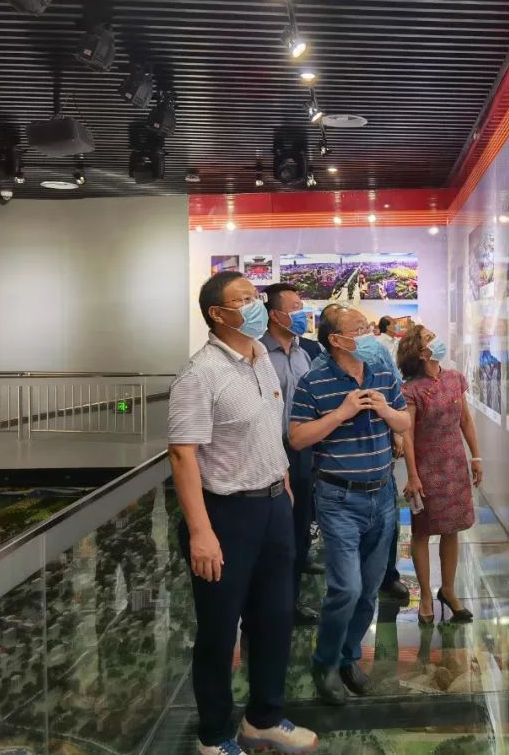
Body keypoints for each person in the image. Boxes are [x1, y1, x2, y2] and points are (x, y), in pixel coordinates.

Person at [168, 272, 317, 755]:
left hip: (273, 506)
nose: (256, 305)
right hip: (225, 514)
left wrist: (284, 483)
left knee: (274, 619)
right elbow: (182, 454)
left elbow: (269, 429)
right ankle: (214, 735)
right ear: (218, 314)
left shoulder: (261, 359)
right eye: (245, 299)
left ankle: (263, 718)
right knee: (218, 629)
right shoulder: (200, 374)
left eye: (256, 296)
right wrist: (200, 532)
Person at [290, 304, 411, 706]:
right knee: (346, 588)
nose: (368, 333)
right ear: (337, 340)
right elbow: (298, 438)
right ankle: (324, 661)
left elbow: (405, 422)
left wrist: (385, 410)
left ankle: (348, 656)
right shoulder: (314, 381)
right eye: (359, 329)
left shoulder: (382, 372)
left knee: (370, 591)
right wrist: (341, 413)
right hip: (338, 498)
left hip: (383, 495)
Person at [396, 326, 482, 625]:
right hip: (426, 468)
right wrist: (412, 475)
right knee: (422, 531)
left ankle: (448, 590)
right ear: (421, 353)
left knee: (452, 528)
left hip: (454, 465)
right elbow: (407, 435)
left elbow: (466, 420)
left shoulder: (455, 378)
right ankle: (425, 595)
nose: (437, 340)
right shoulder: (411, 389)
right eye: (429, 338)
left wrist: (476, 456)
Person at [260, 283, 322, 626]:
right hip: (270, 451)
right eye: (295, 307)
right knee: (274, 531)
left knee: (299, 526)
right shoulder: (257, 354)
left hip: (303, 452)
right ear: (275, 315)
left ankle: (292, 599)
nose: (303, 312)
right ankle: (269, 602)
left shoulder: (304, 353)